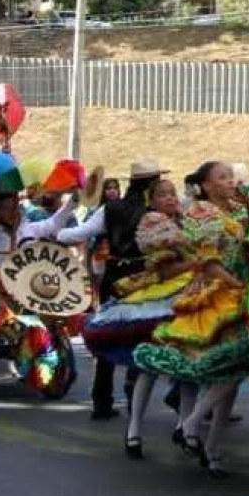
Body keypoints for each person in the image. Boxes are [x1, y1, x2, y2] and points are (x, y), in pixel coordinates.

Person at [133, 161, 249, 478]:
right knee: (224, 367)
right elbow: (208, 262)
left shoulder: (241, 212)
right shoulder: (202, 214)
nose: (231, 182)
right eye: (223, 177)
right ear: (206, 185)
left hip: (239, 294)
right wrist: (233, 282)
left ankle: (211, 448)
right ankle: (189, 425)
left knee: (235, 373)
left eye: (232, 176)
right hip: (211, 297)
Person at [59, 161, 164, 421]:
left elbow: (78, 234)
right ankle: (133, 391)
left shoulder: (110, 209)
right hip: (146, 280)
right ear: (152, 183)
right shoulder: (155, 211)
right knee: (142, 334)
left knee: (107, 334)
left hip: (115, 279)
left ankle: (101, 401)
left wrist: (54, 233)